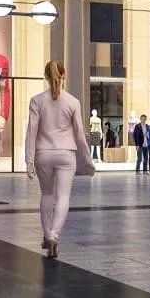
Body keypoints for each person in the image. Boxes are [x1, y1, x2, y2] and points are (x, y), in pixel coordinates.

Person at [25, 60, 94, 260]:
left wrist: (29, 159)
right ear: (63, 76)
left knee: (47, 195)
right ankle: (54, 235)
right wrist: (88, 161)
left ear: (46, 77)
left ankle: (47, 235)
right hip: (66, 153)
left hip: (43, 153)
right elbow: (80, 135)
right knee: (63, 197)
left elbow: (32, 131)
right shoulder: (73, 102)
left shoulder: (36, 101)